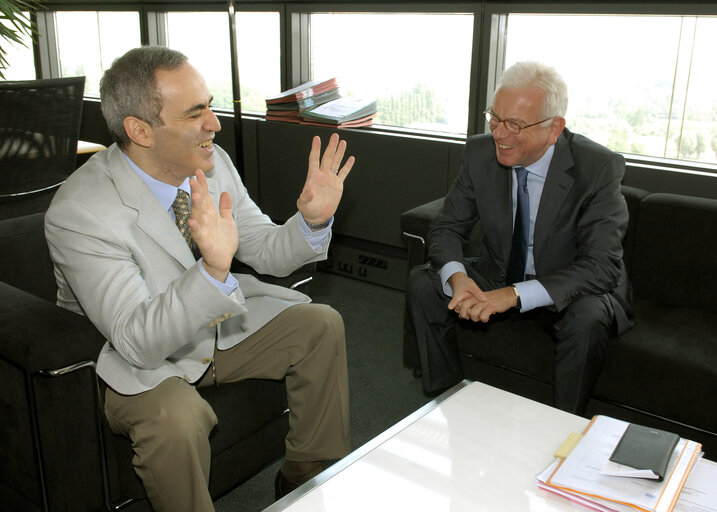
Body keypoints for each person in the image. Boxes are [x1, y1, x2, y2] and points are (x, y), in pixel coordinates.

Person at [44, 45, 354, 512]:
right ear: (139, 130)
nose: (215, 123)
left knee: (321, 324)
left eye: (210, 104)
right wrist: (212, 270)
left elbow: (265, 249)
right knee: (176, 417)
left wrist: (310, 221)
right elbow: (136, 339)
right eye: (196, 113)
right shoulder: (81, 211)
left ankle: (306, 480)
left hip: (210, 329)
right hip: (126, 356)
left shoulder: (211, 161)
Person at [406, 61, 633, 414]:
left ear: (554, 128)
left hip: (569, 283)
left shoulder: (597, 168)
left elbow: (600, 267)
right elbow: (447, 226)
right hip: (500, 271)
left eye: (514, 124)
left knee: (588, 318)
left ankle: (563, 423)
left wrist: (513, 296)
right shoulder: (480, 153)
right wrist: (459, 278)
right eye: (494, 118)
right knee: (425, 282)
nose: (499, 134)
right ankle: (446, 401)